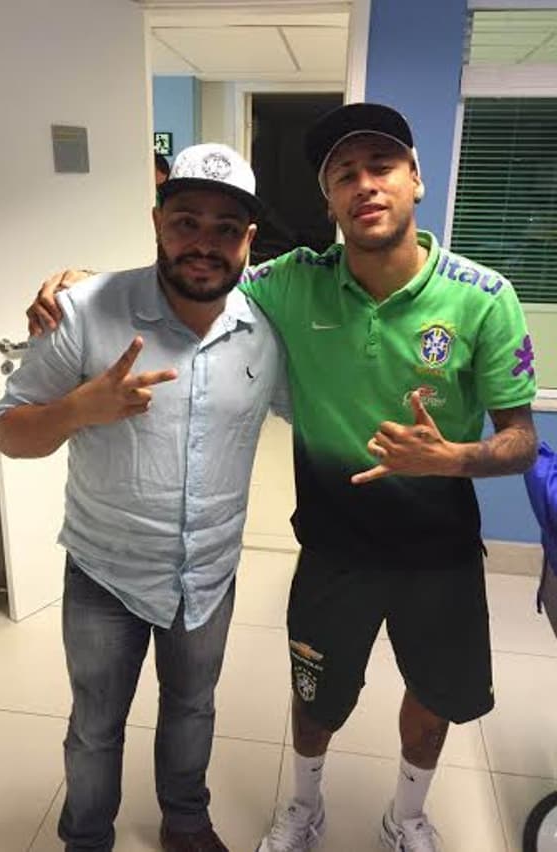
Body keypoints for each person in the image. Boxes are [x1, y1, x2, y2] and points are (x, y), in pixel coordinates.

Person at [27, 104, 538, 852]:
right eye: (343, 175)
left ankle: (409, 815)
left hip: (442, 552)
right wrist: (81, 288)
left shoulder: (485, 297)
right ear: (329, 200)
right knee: (316, 698)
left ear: (416, 180)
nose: (364, 185)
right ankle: (302, 808)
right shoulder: (291, 284)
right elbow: (196, 269)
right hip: (334, 550)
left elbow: (523, 441)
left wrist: (454, 458)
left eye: (381, 167)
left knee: (435, 699)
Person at [0, 142, 289, 852]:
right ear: (158, 222)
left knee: (193, 708)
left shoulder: (268, 330)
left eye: (226, 229)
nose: (205, 244)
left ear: (249, 241)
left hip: (209, 575)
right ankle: (87, 836)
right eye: (187, 221)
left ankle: (185, 819)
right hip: (106, 571)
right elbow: (11, 432)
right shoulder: (84, 312)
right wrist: (76, 411)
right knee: (96, 724)